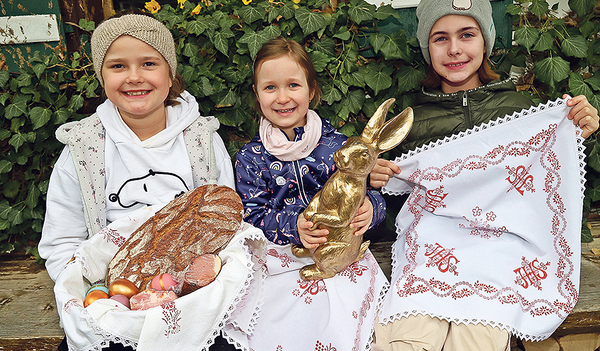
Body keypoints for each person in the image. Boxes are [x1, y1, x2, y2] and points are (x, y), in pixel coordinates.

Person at [370, 0, 599, 350]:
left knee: (477, 341)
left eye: (467, 34)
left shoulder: (521, 113)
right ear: (426, 47)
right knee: (407, 340)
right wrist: (374, 178)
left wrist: (577, 135)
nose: (455, 49)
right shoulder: (411, 123)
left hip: (499, 258)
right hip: (431, 255)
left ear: (486, 41)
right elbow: (384, 203)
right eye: (440, 38)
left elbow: (552, 187)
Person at [38, 10, 238, 351]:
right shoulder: (83, 149)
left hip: (192, 300)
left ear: (170, 72)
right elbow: (62, 243)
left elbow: (226, 223)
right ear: (101, 76)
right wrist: (102, 300)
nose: (134, 77)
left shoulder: (202, 141)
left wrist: (192, 290)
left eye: (149, 63)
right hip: (112, 299)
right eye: (118, 66)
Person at [231, 37, 388, 350]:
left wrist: (372, 208)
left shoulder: (338, 146)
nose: (282, 97)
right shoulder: (251, 158)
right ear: (257, 95)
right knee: (289, 318)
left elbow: (364, 191)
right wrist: (295, 226)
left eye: (293, 85)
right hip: (283, 257)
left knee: (347, 313)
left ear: (312, 91)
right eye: (270, 87)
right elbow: (252, 215)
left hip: (341, 253)